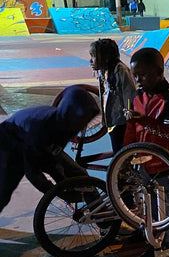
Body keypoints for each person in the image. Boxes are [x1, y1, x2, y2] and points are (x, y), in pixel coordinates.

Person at [123, 47, 169, 257]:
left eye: (143, 75)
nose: (138, 80)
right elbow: (132, 128)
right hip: (144, 166)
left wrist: (145, 120)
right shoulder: (138, 96)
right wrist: (125, 156)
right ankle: (153, 250)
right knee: (150, 215)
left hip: (167, 167)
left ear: (159, 72)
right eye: (135, 75)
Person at [0, 85, 100, 213]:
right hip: (10, 143)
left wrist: (65, 182)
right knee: (4, 192)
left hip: (36, 141)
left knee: (79, 174)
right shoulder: (41, 128)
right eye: (83, 120)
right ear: (71, 113)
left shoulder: (68, 121)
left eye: (87, 120)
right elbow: (33, 172)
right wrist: (57, 191)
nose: (84, 125)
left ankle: (102, 219)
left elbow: (54, 157)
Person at [89, 38, 137, 153]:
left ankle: (122, 169)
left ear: (105, 57)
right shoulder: (103, 70)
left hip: (121, 122)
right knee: (118, 150)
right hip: (112, 119)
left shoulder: (120, 70)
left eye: (93, 56)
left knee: (121, 153)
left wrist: (129, 114)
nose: (91, 60)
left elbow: (129, 93)